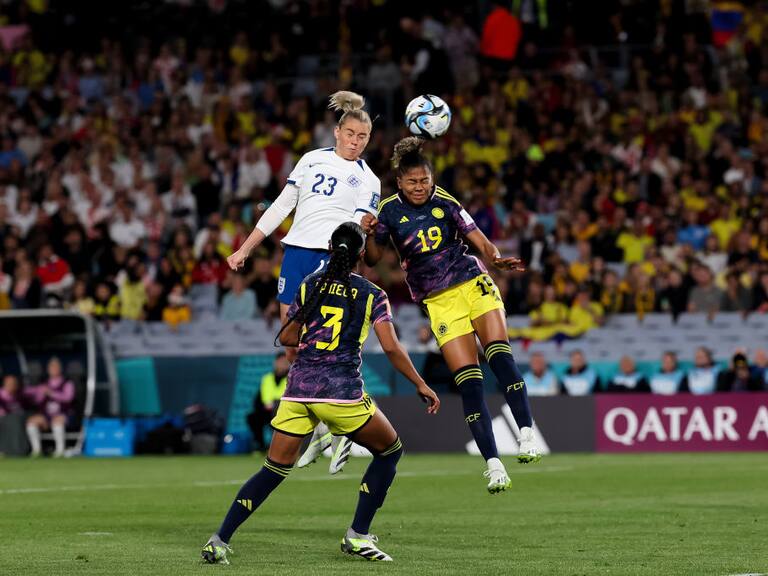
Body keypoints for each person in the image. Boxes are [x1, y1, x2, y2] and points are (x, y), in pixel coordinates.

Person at [201, 222, 439, 565]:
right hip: (341, 392)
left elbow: (287, 337)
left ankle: (219, 539)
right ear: (360, 254)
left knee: (272, 469)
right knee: (389, 452)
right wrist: (420, 382)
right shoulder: (373, 294)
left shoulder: (309, 285)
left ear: (329, 247)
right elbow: (391, 348)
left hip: (298, 390)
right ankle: (357, 534)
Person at [365, 137, 539, 494]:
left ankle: (526, 433)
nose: (420, 188)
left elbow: (475, 234)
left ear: (431, 179)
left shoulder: (445, 200)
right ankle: (493, 464)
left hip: (472, 281)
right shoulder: (387, 212)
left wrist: (493, 256)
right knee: (469, 382)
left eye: (425, 181)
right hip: (438, 301)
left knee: (499, 355)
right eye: (413, 182)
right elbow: (371, 259)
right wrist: (368, 234)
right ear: (400, 182)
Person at [225, 91, 381, 472]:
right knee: (292, 345)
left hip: (331, 260)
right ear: (337, 131)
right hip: (295, 253)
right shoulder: (311, 159)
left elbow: (357, 229)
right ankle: (326, 430)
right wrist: (245, 248)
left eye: (363, 137)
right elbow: (282, 205)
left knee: (324, 347)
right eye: (350, 134)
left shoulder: (369, 179)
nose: (355, 141)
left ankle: (340, 429)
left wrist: (349, 257)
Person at [24, 357, 75, 457]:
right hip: (47, 415)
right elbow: (36, 399)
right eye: (51, 367)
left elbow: (69, 398)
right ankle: (36, 450)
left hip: (64, 414)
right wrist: (39, 394)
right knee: (31, 422)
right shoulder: (43, 384)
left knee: (57, 421)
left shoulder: (67, 383)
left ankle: (60, 451)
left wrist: (51, 393)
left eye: (56, 367)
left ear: (60, 369)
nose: (53, 369)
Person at [246, 352, 289, 452]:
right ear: (275, 363)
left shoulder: (291, 377)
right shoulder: (267, 378)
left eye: (285, 362)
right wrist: (265, 405)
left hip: (283, 410)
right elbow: (261, 397)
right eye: (280, 362)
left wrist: (275, 404)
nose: (282, 364)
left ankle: (280, 448)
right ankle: (260, 446)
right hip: (267, 411)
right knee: (253, 418)